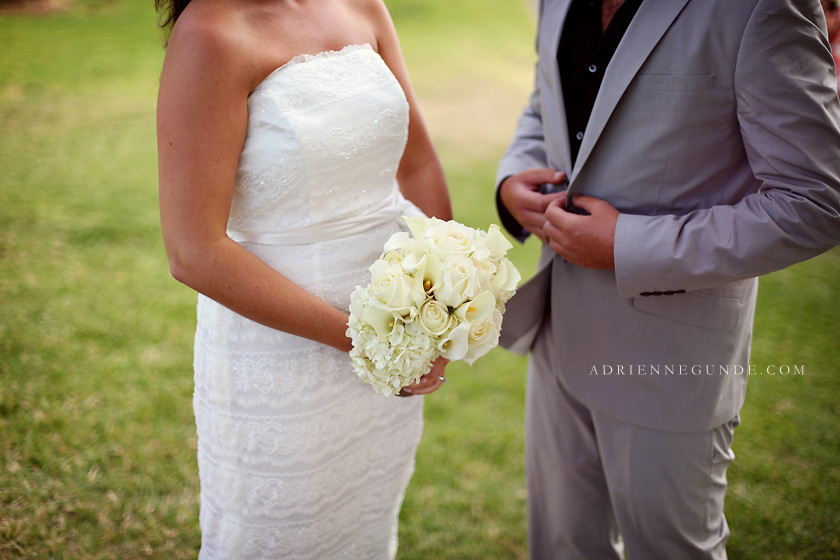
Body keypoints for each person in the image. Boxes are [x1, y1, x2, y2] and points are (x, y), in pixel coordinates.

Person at [495, 0, 840, 558]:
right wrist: (516, 176)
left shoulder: (760, 7)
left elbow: (818, 201)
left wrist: (629, 246)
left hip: (673, 353)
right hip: (559, 333)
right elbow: (548, 103)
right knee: (560, 547)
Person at [155, 0, 452, 557]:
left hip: (391, 345)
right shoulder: (211, 34)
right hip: (283, 357)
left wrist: (442, 297)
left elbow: (417, 164)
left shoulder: (364, 5)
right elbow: (194, 251)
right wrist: (370, 342)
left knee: (364, 525)